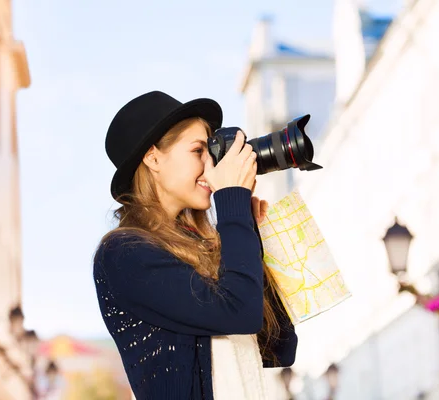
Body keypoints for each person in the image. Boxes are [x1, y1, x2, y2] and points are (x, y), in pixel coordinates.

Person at [93, 91, 298, 400]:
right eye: (199, 150)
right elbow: (240, 314)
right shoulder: (123, 253)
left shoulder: (204, 244)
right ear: (153, 158)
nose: (210, 165)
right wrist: (230, 203)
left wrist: (249, 237)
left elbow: (279, 345)